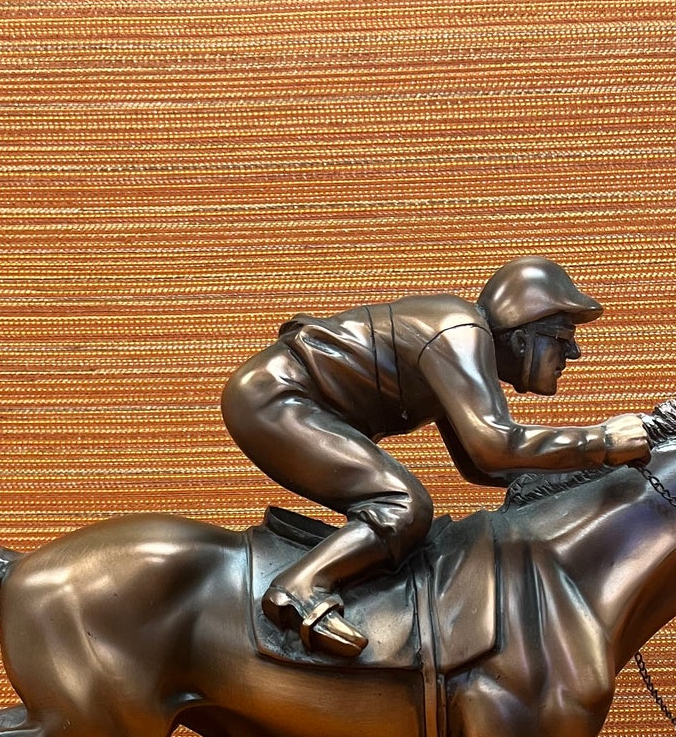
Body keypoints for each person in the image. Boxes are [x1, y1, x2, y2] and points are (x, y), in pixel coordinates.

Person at [220, 256, 650, 658]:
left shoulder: (461, 347)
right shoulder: (459, 332)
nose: (573, 354)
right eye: (563, 339)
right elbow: (494, 444)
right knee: (402, 507)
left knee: (402, 509)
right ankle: (300, 588)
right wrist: (602, 441)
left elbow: (483, 464)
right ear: (522, 339)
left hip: (279, 397)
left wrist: (585, 474)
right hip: (277, 398)